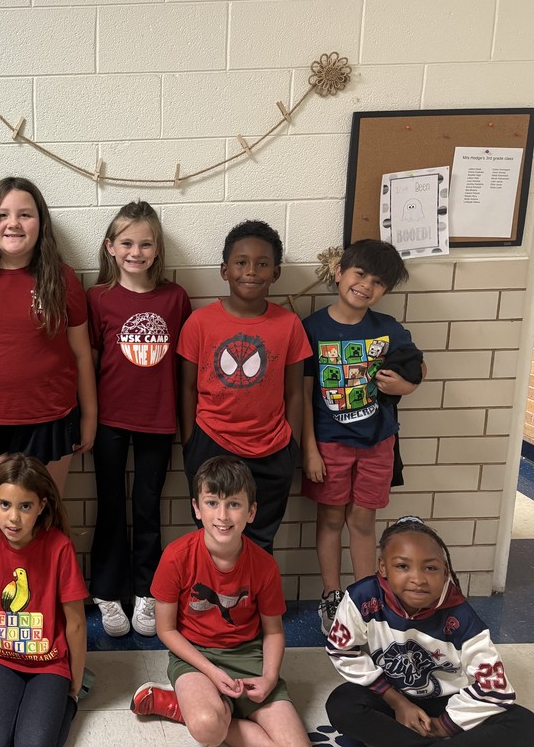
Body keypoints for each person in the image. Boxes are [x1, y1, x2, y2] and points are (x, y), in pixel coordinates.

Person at [130, 456, 310, 747]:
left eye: (234, 504)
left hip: (248, 656)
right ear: (196, 508)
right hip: (195, 658)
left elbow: (274, 631)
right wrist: (212, 674)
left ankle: (187, 707)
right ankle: (200, 708)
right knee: (208, 728)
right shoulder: (176, 557)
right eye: (212, 503)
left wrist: (269, 678)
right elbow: (166, 630)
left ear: (251, 511)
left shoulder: (264, 566)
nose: (223, 516)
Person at [302, 239, 425, 634]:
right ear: (339, 273)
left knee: (363, 520)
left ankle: (362, 596)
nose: (366, 286)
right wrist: (310, 450)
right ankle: (333, 595)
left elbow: (418, 367)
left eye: (378, 282)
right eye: (359, 274)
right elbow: (301, 395)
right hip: (329, 443)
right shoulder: (312, 328)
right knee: (331, 518)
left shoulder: (388, 329)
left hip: (377, 443)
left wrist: (404, 387)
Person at [0, 177, 96, 495]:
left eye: (25, 214)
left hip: (51, 416)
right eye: (3, 215)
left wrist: (90, 416)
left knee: (45, 520)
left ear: (41, 222)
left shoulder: (61, 278)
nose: (13, 223)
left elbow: (82, 353)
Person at [325, 516, 534, 745]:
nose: (418, 579)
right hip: (393, 696)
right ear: (383, 567)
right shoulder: (362, 598)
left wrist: (443, 725)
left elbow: (494, 687)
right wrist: (398, 703)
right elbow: (342, 650)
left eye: (430, 568)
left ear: (445, 573)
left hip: (447, 702)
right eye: (403, 566)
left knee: (523, 723)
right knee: (342, 703)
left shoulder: (461, 616)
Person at [86, 201, 191, 638]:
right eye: (127, 242)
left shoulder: (174, 297)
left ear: (157, 249)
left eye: (146, 243)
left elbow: (186, 366)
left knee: (147, 507)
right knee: (110, 505)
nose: (136, 251)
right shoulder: (98, 299)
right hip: (109, 419)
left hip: (157, 419)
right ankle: (108, 592)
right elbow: (88, 362)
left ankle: (148, 592)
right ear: (111, 247)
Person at [177, 220, 310, 553]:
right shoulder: (199, 322)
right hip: (211, 444)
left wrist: (291, 446)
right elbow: (188, 388)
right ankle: (211, 602)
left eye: (262, 264)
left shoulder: (289, 325)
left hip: (272, 449)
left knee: (259, 539)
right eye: (241, 262)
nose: (251, 271)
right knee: (215, 536)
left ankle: (252, 603)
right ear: (225, 270)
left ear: (275, 273)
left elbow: (295, 392)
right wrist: (191, 442)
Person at [0, 454, 88, 747]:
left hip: (50, 663)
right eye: (5, 505)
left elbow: (76, 624)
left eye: (25, 506)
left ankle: (69, 704)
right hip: (4, 659)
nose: (13, 517)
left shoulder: (58, 547)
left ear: (41, 506)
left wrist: (74, 683)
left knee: (32, 743)